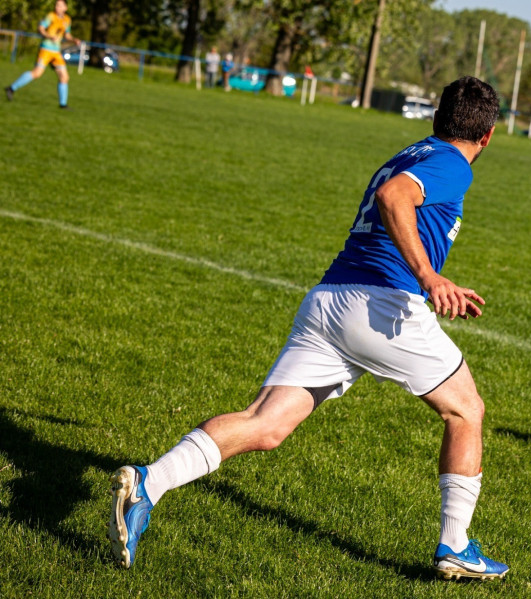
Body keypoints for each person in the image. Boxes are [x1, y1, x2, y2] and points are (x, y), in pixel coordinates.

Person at [107, 76, 509, 581]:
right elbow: (394, 197)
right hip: (381, 306)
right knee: (466, 410)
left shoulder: (413, 152)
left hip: (327, 302)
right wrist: (429, 277)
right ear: (487, 135)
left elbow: (394, 196)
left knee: (265, 424)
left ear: (436, 118)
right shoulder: (452, 164)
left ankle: (148, 482)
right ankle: (456, 545)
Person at [5, 0, 81, 108]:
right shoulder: (51, 16)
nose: (57, 7)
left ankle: (63, 105)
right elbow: (40, 28)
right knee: (37, 73)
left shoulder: (67, 19)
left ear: (65, 8)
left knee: (64, 77)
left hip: (56, 52)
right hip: (46, 49)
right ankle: (11, 88)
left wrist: (74, 40)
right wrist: (49, 36)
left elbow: (67, 34)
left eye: (60, 5)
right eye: (56, 5)